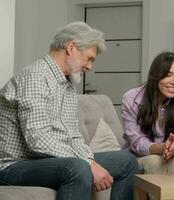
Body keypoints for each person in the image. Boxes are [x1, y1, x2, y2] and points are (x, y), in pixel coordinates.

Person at [0, 21, 138, 200]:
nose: (90, 67)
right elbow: (38, 139)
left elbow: (73, 136)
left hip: (49, 160)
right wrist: (87, 162)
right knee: (77, 168)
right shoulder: (35, 77)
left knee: (127, 161)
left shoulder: (68, 86)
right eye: (89, 58)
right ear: (71, 48)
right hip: (14, 165)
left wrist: (88, 158)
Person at [121, 52, 174, 176]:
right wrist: (161, 148)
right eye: (168, 75)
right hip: (138, 158)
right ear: (156, 76)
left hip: (170, 157)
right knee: (155, 161)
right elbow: (136, 142)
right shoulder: (131, 99)